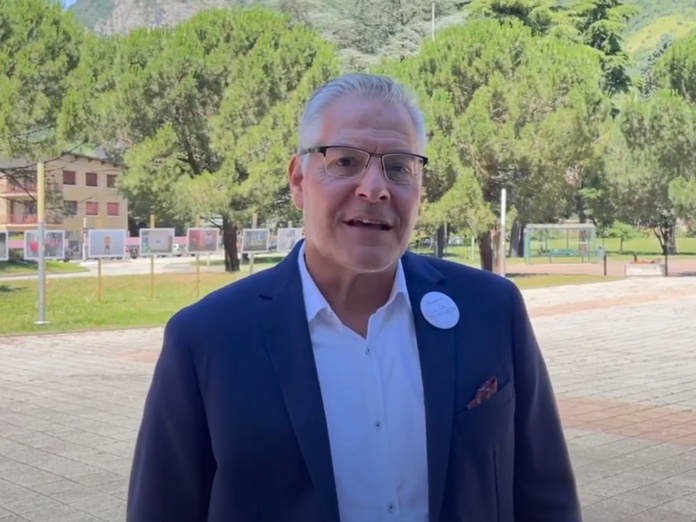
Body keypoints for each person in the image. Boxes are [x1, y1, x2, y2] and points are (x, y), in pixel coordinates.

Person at [127, 73, 582, 522]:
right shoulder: (207, 339)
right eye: (344, 161)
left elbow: (546, 497)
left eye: (399, 166)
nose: (374, 188)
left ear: (420, 186)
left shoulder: (491, 310)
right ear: (299, 181)